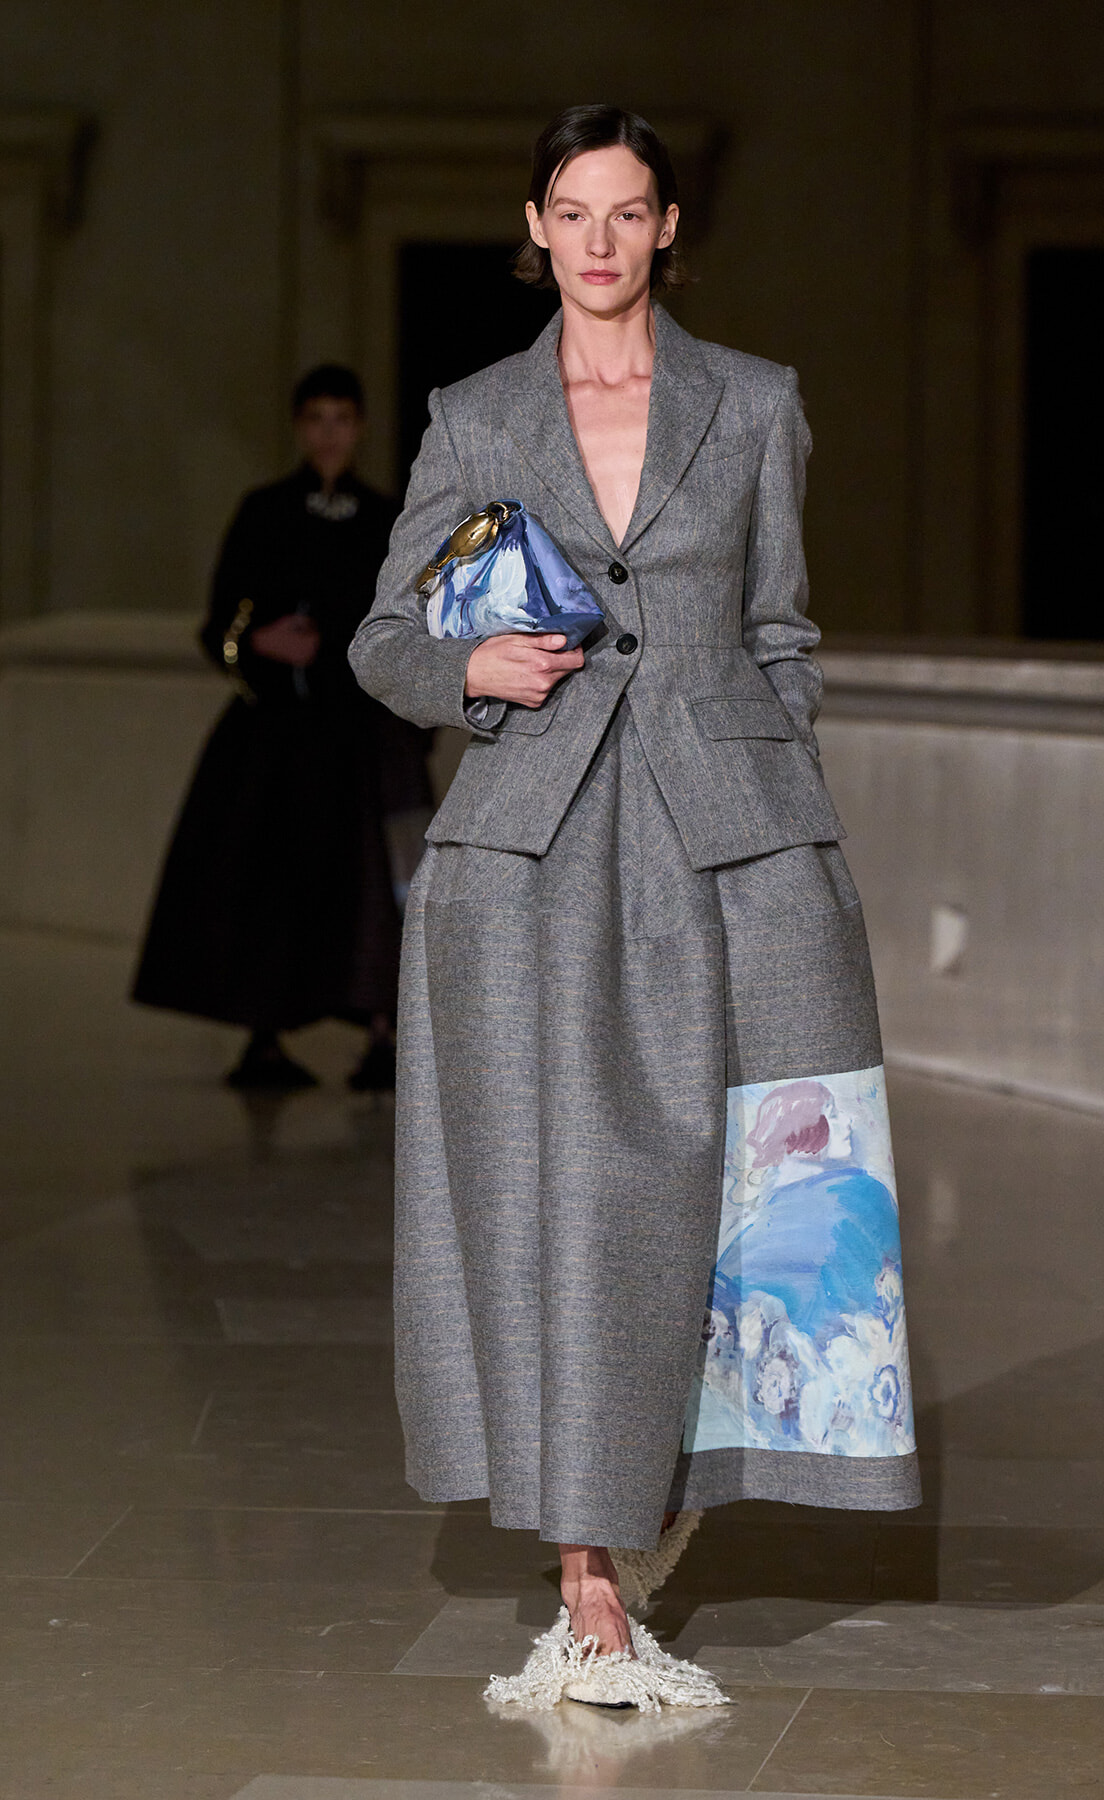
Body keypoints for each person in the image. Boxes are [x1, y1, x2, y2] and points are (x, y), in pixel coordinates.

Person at [350, 106, 920, 1705]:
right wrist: (471, 665)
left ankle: (656, 1489)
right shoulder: (476, 413)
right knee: (563, 1195)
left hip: (729, 837)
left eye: (627, 212)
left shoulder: (755, 402)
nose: (597, 241)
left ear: (669, 227)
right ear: (534, 227)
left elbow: (781, 634)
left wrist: (780, 809)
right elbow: (386, 638)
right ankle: (588, 1581)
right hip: (530, 844)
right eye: (571, 211)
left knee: (754, 1176)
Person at [134, 365, 432, 1091]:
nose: (329, 434)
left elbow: (413, 619)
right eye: (316, 419)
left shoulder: (386, 517)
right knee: (266, 871)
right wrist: (260, 643)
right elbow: (221, 624)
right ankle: (263, 1036)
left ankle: (383, 1034)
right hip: (279, 733)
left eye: (342, 419)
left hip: (362, 732)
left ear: (359, 428)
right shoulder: (265, 511)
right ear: (299, 427)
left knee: (379, 879)